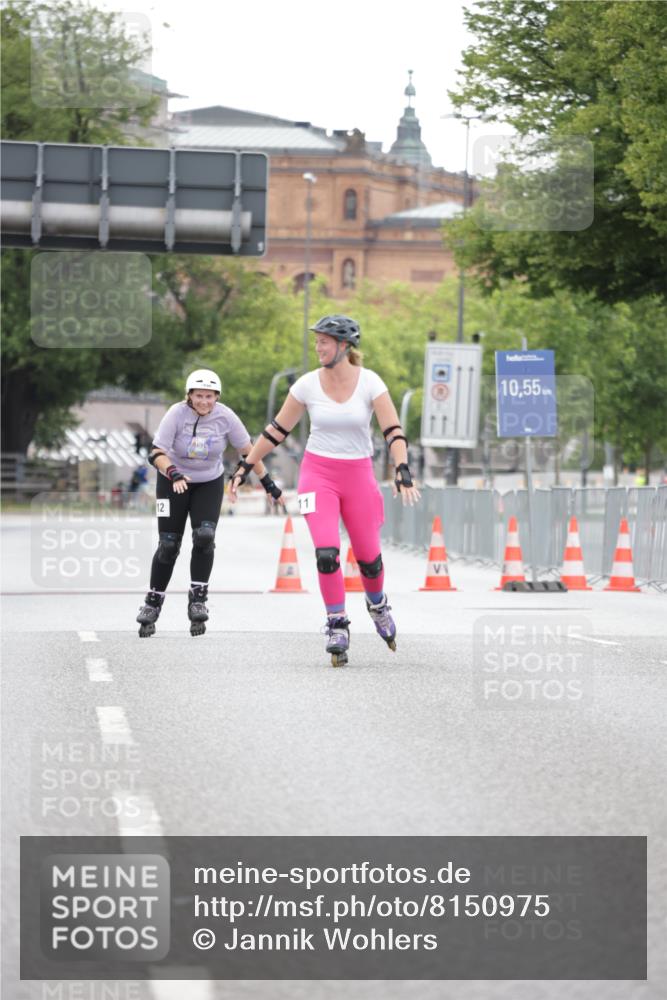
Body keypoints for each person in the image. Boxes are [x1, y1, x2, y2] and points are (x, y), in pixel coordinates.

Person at [229, 315, 421, 666]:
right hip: (318, 474)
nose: (318, 348)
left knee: (369, 559)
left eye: (324, 342)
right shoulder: (306, 385)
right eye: (316, 341)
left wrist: (402, 469)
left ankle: (377, 606)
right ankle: (336, 622)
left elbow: (393, 430)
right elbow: (276, 431)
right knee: (327, 554)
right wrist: (245, 466)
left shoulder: (370, 383)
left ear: (344, 346)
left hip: (358, 475)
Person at [136, 368, 283, 637]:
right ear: (189, 396)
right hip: (172, 481)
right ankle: (152, 602)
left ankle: (198, 599)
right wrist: (173, 473)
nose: (204, 401)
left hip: (208, 483)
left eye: (210, 396)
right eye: (199, 396)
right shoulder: (176, 414)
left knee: (204, 536)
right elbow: (156, 453)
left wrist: (269, 485)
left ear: (217, 397)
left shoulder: (226, 417)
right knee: (169, 544)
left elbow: (250, 453)